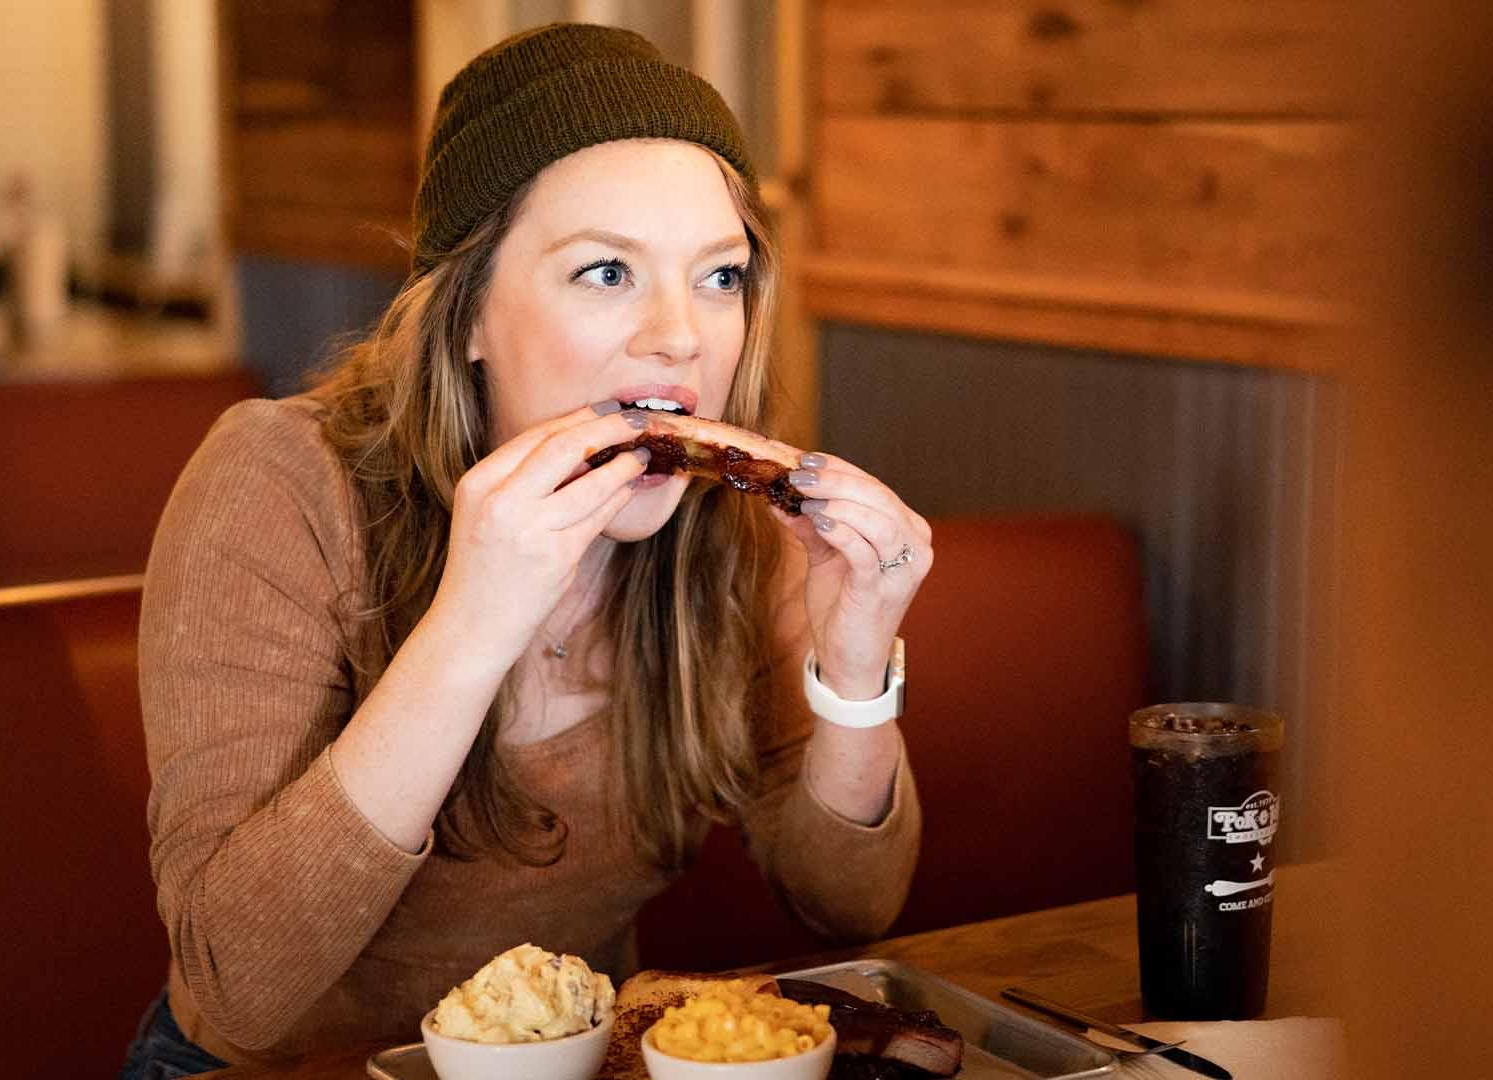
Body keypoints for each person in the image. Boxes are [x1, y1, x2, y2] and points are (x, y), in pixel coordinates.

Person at [120, 23, 930, 1076]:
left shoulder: (733, 522)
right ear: (468, 319)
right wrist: (476, 620)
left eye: (720, 277)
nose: (682, 336)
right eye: (605, 272)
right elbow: (241, 982)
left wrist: (855, 666)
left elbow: (849, 906)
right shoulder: (276, 483)